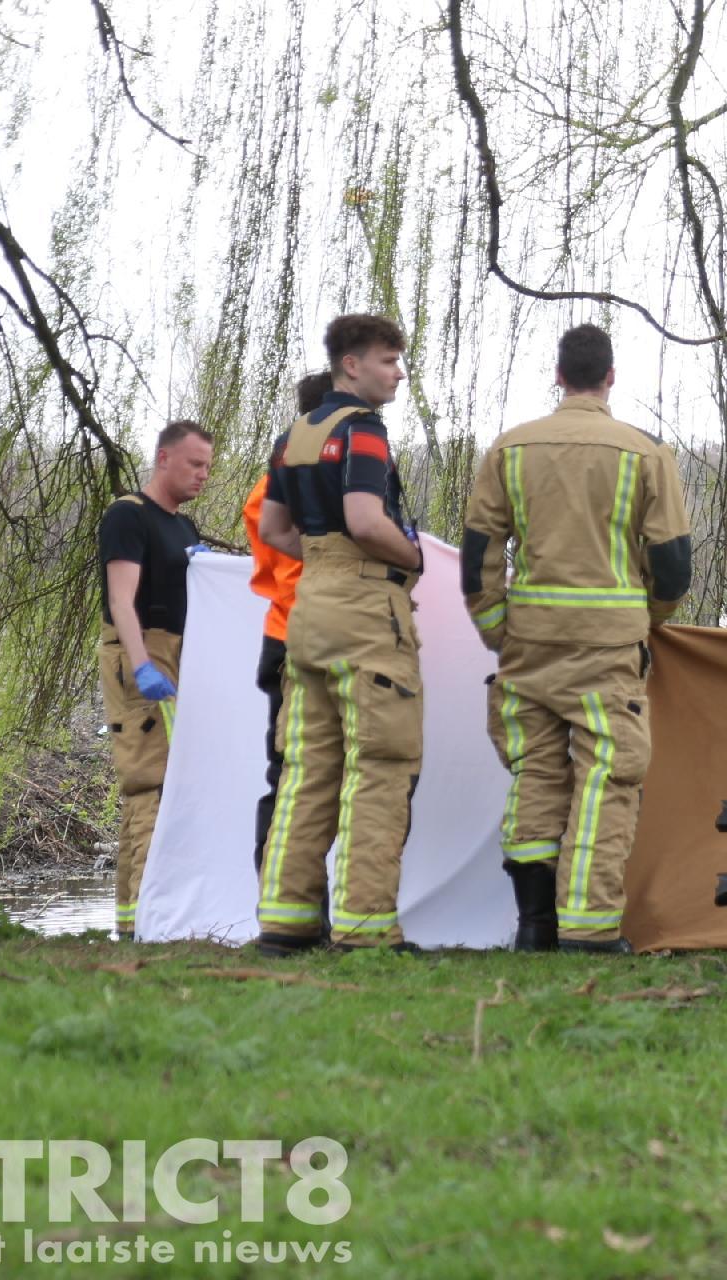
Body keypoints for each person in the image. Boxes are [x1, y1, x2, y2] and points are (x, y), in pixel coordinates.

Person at [461, 322, 693, 954]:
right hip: (608, 650)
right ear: (610, 377)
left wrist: (495, 628)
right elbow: (672, 563)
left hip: (529, 643)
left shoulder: (509, 450)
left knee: (535, 776)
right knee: (606, 779)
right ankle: (589, 931)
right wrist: (646, 620)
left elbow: (479, 550)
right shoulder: (646, 454)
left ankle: (534, 926)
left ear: (558, 375)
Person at [254, 316, 425, 955]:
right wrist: (410, 556)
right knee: (381, 762)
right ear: (349, 366)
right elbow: (365, 518)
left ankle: (286, 920)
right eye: (387, 360)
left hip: (309, 611)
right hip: (364, 613)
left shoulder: (293, 435)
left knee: (307, 767)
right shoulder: (364, 431)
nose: (397, 372)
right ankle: (365, 925)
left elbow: (274, 529)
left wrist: (322, 557)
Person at [97, 419, 214, 938]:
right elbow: (122, 599)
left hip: (179, 653)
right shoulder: (128, 515)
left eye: (208, 466)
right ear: (163, 459)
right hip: (142, 650)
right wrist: (141, 663)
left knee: (159, 786)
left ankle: (132, 921)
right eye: (195, 464)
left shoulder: (184, 528)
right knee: (151, 785)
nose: (203, 475)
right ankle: (150, 921)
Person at [243, 371, 330, 874]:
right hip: (308, 633)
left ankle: (283, 901)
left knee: (290, 772)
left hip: (283, 634)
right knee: (301, 774)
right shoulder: (315, 479)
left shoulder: (268, 487)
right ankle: (291, 904)